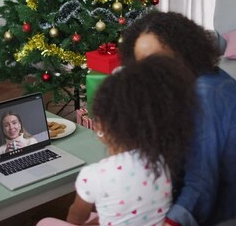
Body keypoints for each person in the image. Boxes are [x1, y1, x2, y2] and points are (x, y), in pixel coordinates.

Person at [120, 11, 236, 226]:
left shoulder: (205, 94)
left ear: (184, 53)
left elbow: (201, 183)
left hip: (231, 210)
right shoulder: (199, 77)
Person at [37, 55, 198, 226]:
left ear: (100, 127)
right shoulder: (162, 162)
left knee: (44, 222)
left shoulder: (94, 175)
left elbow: (76, 218)